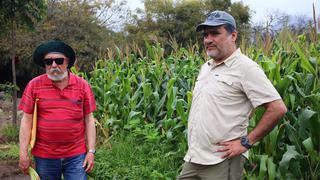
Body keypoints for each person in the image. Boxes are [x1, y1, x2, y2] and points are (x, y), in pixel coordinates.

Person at [177, 11, 287, 179]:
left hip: (222, 160)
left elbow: (277, 108)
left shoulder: (246, 68)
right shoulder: (206, 67)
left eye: (215, 33)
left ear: (233, 35)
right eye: (205, 35)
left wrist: (246, 142)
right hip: (194, 157)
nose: (208, 39)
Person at [18, 40, 97, 180]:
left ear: (67, 62)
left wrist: (91, 151)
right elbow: (26, 120)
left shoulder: (83, 86)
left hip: (76, 155)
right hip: (44, 155)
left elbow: (89, 119)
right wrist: (23, 152)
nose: (54, 65)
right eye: (49, 62)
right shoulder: (34, 86)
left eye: (59, 60)